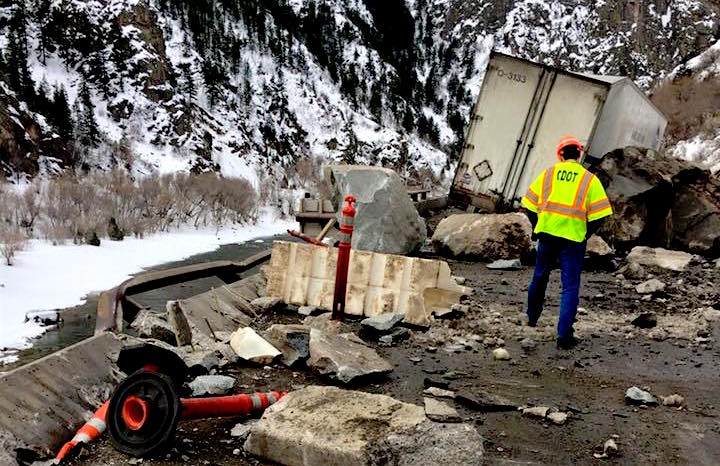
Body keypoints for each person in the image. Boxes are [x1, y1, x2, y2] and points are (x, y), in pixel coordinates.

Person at [520, 135, 613, 349]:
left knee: (540, 276)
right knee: (570, 286)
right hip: (572, 239)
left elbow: (528, 204)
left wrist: (537, 226)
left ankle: (532, 317)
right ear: (579, 155)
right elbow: (601, 214)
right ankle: (564, 336)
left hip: (547, 235)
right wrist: (586, 233)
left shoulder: (549, 174)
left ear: (561, 154)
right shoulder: (589, 179)